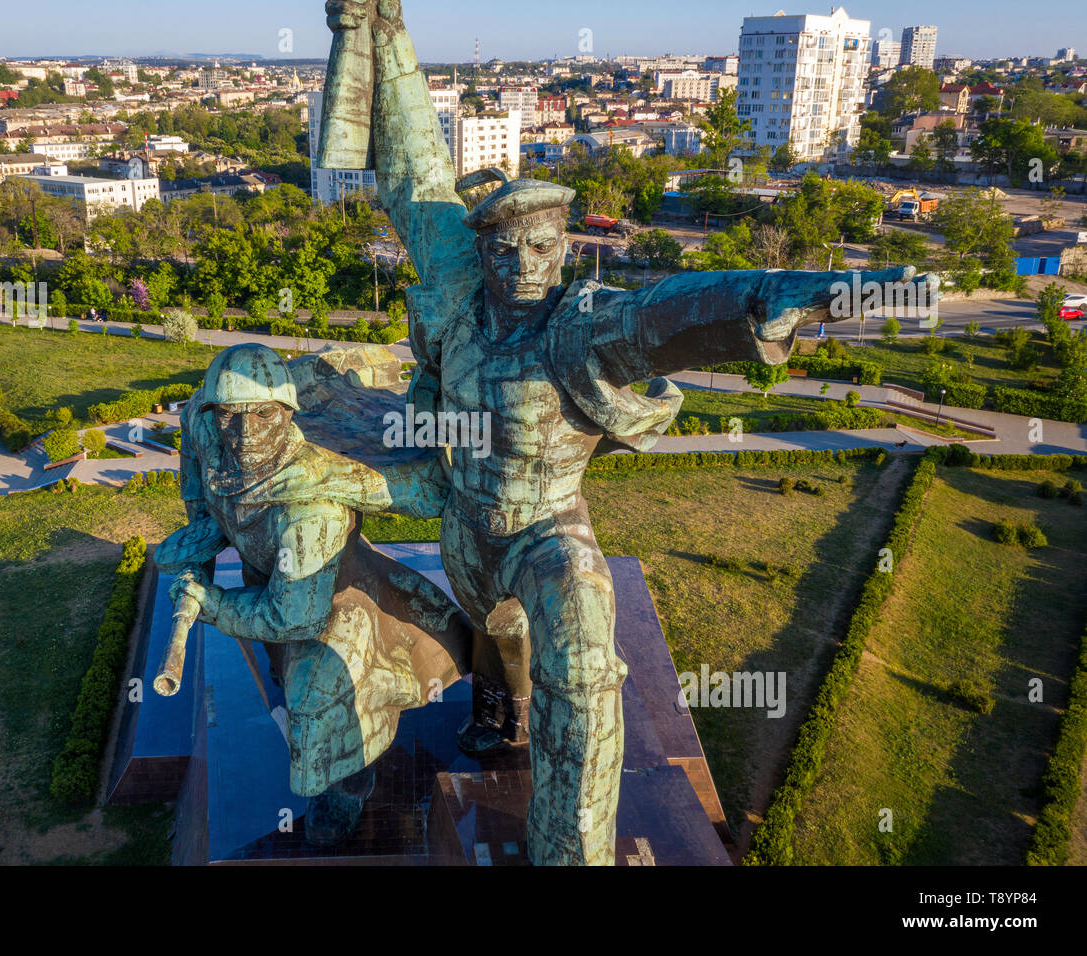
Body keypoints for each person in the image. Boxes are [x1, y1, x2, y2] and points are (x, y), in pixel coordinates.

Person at [325, 0, 933, 864]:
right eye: (504, 250)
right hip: (464, 529)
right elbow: (417, 175)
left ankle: (571, 851)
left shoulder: (580, 330)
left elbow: (672, 313)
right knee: (499, 645)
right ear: (484, 254)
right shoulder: (459, 308)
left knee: (579, 666)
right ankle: (500, 709)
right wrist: (384, 34)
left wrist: (790, 292)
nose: (524, 266)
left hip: (546, 531)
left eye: (541, 248)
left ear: (564, 248)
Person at [157, 344, 471, 845]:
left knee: (318, 690)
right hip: (274, 579)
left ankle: (349, 781)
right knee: (279, 656)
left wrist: (213, 604)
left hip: (334, 596)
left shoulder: (312, 507)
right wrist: (200, 539)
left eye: (263, 413)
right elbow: (201, 500)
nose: (242, 433)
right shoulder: (201, 421)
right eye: (230, 414)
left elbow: (293, 618)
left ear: (287, 413)